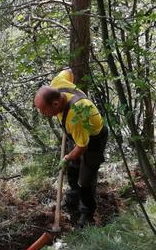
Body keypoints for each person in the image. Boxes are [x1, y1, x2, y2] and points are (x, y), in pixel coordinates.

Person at [34, 69, 108, 228]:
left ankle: (87, 215)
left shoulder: (76, 117)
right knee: (74, 169)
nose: (42, 113)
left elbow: (82, 146)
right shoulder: (57, 84)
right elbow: (69, 71)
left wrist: (67, 157)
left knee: (85, 179)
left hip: (94, 139)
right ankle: (73, 198)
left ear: (55, 103)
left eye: (43, 110)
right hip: (78, 136)